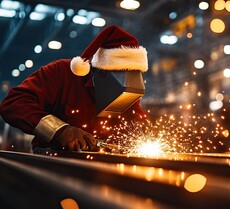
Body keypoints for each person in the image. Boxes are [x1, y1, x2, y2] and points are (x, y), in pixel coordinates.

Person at [0, 25, 148, 152]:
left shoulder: (127, 95)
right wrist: (58, 130)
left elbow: (138, 125)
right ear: (100, 71)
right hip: (52, 162)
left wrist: (146, 138)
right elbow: (13, 103)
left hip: (100, 167)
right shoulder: (62, 73)